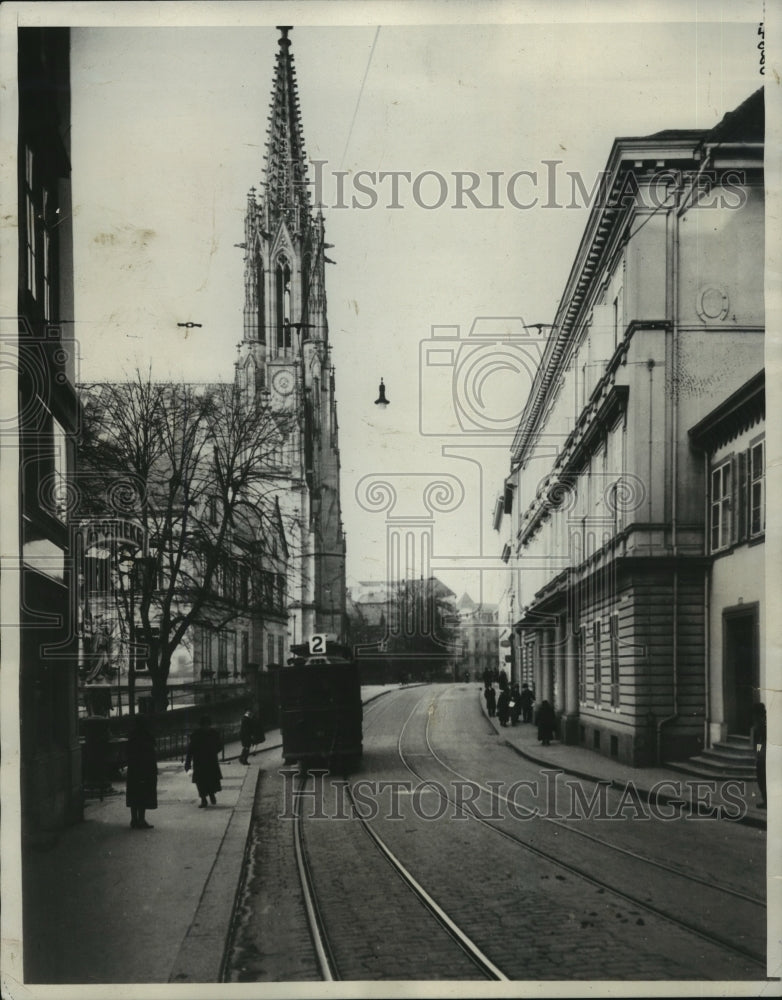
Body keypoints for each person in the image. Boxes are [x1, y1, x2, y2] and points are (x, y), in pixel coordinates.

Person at [126, 715, 157, 829]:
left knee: (134, 793)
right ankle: (141, 819)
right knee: (143, 794)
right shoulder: (147, 736)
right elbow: (151, 753)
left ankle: (134, 819)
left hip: (133, 770)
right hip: (145, 769)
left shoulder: (132, 736)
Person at [185, 715, 223, 807]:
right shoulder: (196, 735)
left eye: (208, 725)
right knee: (200, 782)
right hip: (200, 762)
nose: (206, 727)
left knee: (211, 780)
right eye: (205, 725)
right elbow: (190, 750)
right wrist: (187, 764)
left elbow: (220, 745)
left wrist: (213, 751)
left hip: (210, 761)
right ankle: (203, 799)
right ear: (201, 725)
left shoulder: (214, 734)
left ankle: (211, 794)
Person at [752, 702, 767, 809]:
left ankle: (766, 801)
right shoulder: (763, 722)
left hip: (763, 756)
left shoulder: (760, 724)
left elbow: (759, 742)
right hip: (765, 755)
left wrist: (758, 753)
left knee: (762, 780)